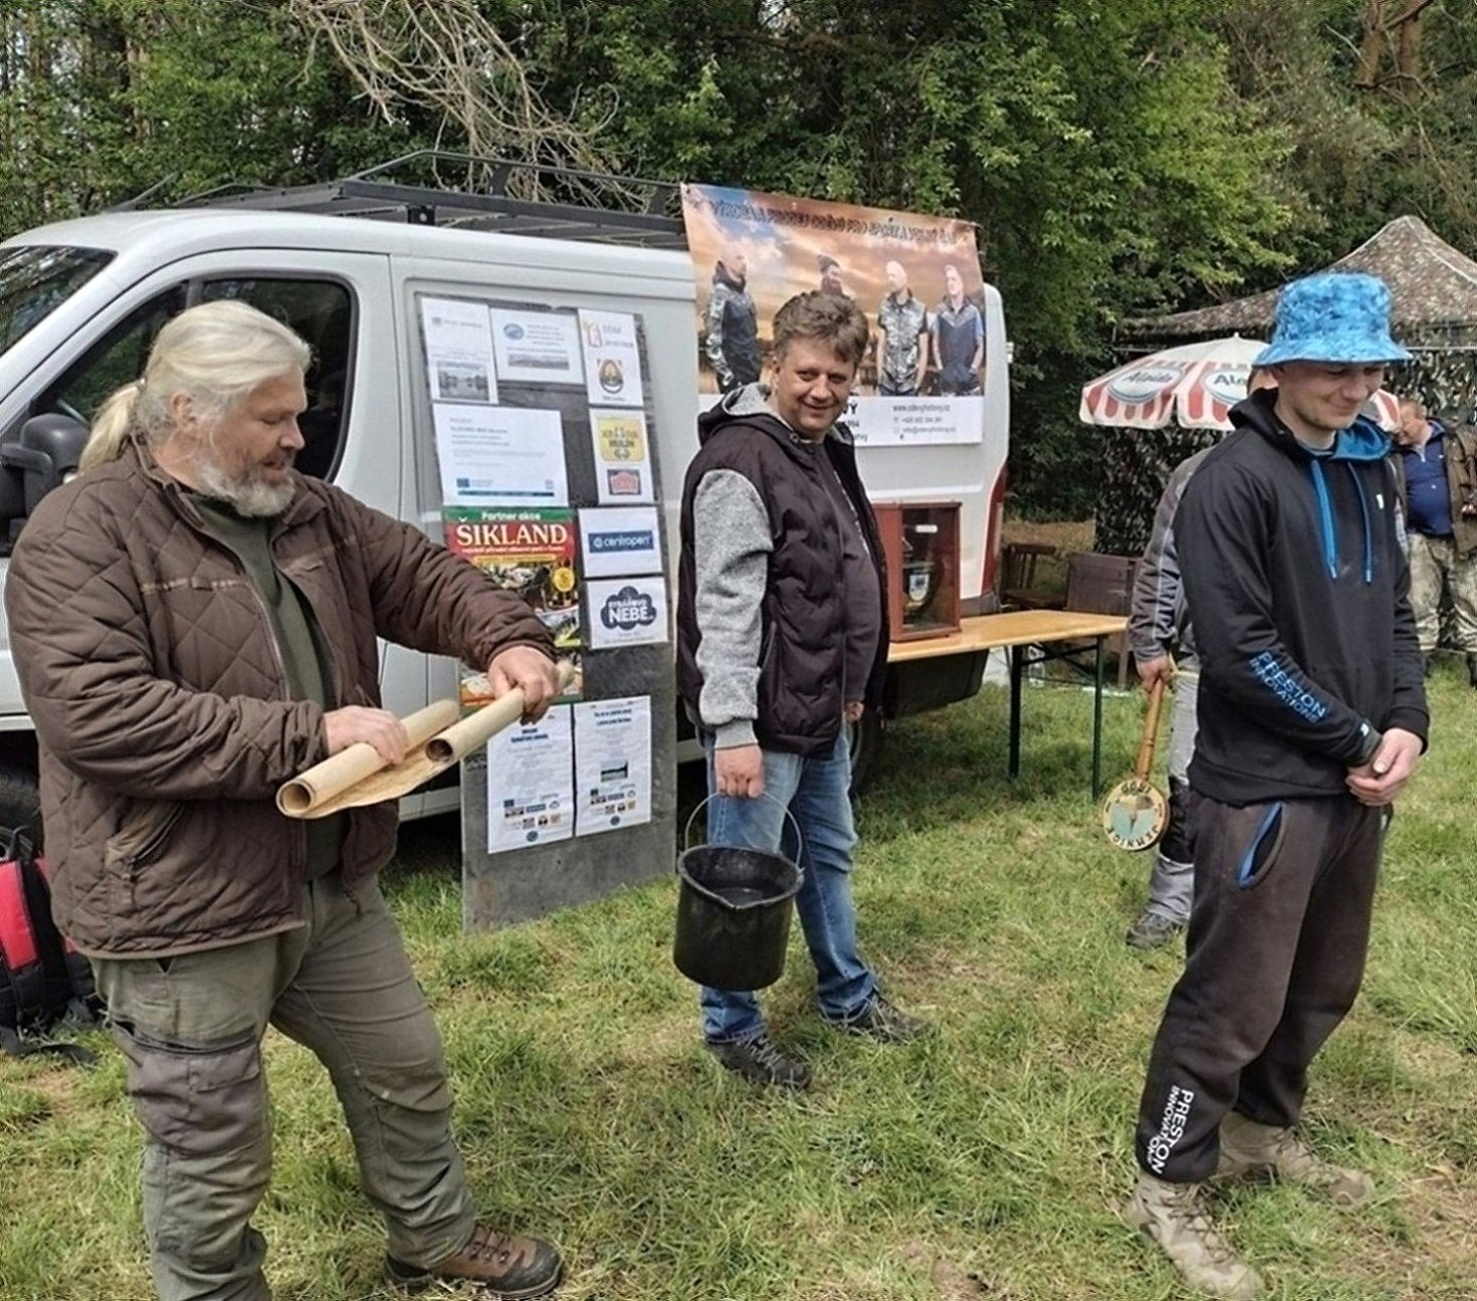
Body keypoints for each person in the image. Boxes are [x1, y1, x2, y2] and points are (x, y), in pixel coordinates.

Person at [4, 301, 566, 1301]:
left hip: (328, 882)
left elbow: (422, 576)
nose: (298, 437)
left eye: (297, 413)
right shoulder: (80, 532)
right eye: (274, 417)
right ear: (190, 411)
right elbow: (100, 716)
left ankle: (433, 1237)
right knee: (211, 1145)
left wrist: (508, 637)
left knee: (404, 1068)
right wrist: (311, 734)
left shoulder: (307, 508)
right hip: (180, 902)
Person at [1124, 273, 1427, 1299]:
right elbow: (1240, 652)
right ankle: (1165, 1183)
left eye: (1369, 367)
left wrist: (1406, 726)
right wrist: (1354, 736)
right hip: (1260, 789)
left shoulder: (1371, 469)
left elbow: (1393, 620)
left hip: (1352, 788)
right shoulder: (1230, 481)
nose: (1355, 385)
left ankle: (1258, 1131)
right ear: (1282, 366)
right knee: (1230, 998)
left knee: (1321, 983)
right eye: (1335, 367)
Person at [676, 290, 928, 1090]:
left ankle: (846, 994)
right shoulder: (741, 460)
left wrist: (850, 686)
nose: (822, 389)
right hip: (760, 714)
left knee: (826, 854)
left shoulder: (816, 448)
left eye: (838, 377)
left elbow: (833, 578)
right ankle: (731, 1026)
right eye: (807, 373)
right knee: (743, 876)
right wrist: (732, 727)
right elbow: (725, 606)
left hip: (818, 703)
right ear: (773, 364)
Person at [1124, 366, 1275, 950]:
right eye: (1261, 395)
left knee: (1273, 793)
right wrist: (1149, 641)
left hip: (1291, 668)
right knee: (1189, 786)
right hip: (1203, 663)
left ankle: (1255, 905)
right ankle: (1170, 902)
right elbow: (1163, 561)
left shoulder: (1325, 478)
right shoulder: (1197, 473)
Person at [1389, 397, 1477, 684]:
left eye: (1404, 425)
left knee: (1472, 603)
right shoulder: (1393, 455)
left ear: (1421, 417)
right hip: (1419, 539)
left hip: (1463, 536)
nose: (1398, 433)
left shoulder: (1457, 441)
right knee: (1418, 605)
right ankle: (1418, 668)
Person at [705, 242, 762, 392]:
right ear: (726, 262)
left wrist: (757, 365)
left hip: (752, 375)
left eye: (744, 258)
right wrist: (728, 377)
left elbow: (752, 335)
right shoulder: (720, 295)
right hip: (733, 378)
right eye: (738, 258)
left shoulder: (746, 297)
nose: (743, 263)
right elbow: (713, 342)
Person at [875, 260, 929, 396]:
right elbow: (881, 345)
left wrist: (918, 383)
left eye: (893, 275)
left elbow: (924, 350)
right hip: (886, 384)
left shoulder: (920, 310)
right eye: (888, 276)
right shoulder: (884, 307)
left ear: (904, 278)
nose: (890, 280)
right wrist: (879, 376)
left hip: (909, 386)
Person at [930, 263, 983, 396]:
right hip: (947, 384)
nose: (951, 283)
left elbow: (980, 345)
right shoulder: (941, 312)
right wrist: (941, 370)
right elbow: (935, 343)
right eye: (948, 280)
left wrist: (973, 370)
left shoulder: (973, 313)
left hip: (969, 384)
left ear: (962, 283)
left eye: (954, 279)